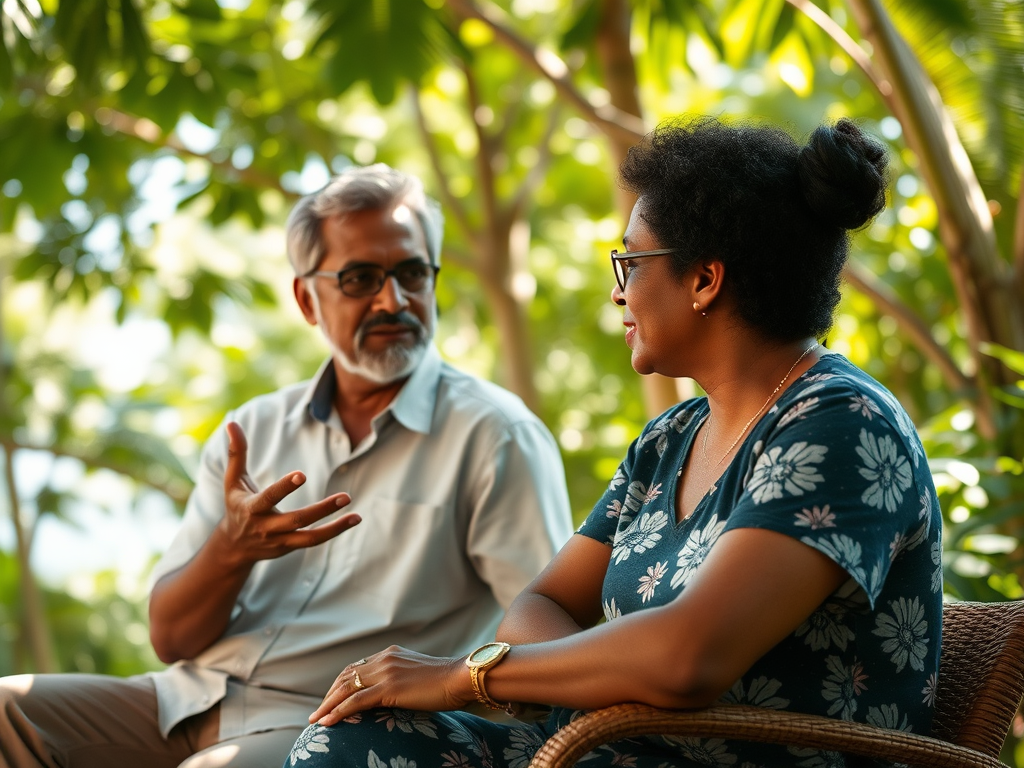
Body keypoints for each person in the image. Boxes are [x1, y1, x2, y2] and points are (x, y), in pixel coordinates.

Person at [281, 117, 943, 768]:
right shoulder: (670, 438)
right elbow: (537, 606)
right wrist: (609, 684)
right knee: (355, 739)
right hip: (605, 750)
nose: (616, 291)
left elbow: (688, 658)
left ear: (704, 280)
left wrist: (464, 676)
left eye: (630, 261)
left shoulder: (842, 422)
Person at [0, 165, 573, 768]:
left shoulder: (494, 436)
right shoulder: (255, 429)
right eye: (360, 279)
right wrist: (231, 547)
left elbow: (549, 641)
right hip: (188, 699)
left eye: (411, 273)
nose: (393, 299)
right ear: (306, 299)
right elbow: (171, 640)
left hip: (333, 726)